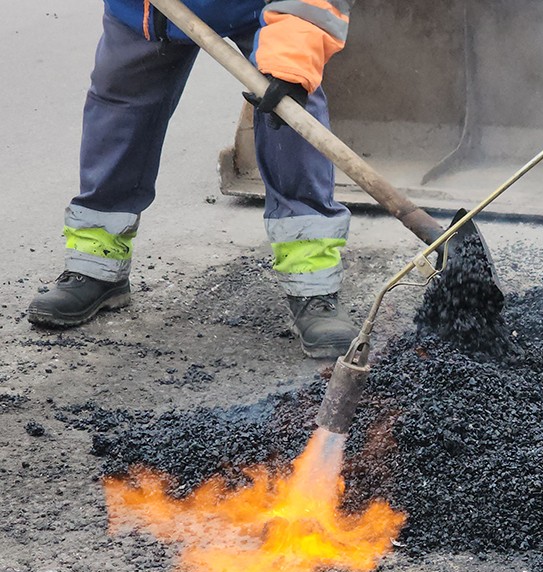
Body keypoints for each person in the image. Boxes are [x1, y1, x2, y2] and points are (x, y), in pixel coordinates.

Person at [26, 0, 358, 359]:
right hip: (145, 10)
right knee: (119, 109)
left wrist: (292, 60)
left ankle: (312, 284)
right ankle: (97, 264)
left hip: (261, 7)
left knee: (290, 113)